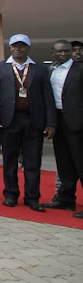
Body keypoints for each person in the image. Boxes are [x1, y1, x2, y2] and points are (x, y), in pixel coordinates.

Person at [0, 34, 56, 212]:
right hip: (9, 122)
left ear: (28, 48)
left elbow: (48, 97)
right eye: (15, 46)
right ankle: (10, 195)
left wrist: (51, 122)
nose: (18, 49)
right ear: (10, 48)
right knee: (9, 161)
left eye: (22, 46)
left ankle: (32, 198)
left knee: (32, 162)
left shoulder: (40, 69)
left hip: (34, 121)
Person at [42, 40, 83, 219]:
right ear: (53, 53)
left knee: (81, 162)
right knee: (64, 163)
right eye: (59, 51)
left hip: (78, 122)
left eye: (67, 51)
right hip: (57, 121)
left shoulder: (80, 69)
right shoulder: (51, 70)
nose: (63, 54)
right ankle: (65, 199)